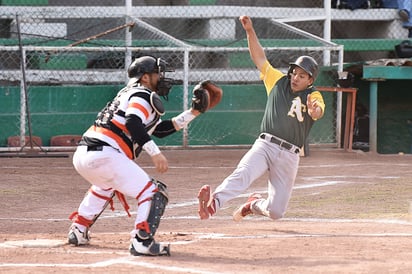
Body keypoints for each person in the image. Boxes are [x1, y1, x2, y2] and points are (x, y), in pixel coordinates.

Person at [68, 55, 206, 256]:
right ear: (145, 77)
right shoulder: (142, 94)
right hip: (106, 153)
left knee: (105, 186)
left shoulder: (129, 94)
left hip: (85, 154)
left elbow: (159, 129)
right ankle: (142, 241)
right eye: (157, 73)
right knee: (154, 192)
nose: (161, 77)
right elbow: (133, 123)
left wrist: (194, 112)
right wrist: (155, 153)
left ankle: (78, 230)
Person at [197, 16, 325, 222]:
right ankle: (213, 204)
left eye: (302, 76)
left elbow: (318, 112)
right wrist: (249, 31)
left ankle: (253, 204)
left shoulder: (314, 95)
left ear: (310, 80)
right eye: (294, 72)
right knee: (243, 174)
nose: (295, 77)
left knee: (276, 212)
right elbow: (259, 58)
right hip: (265, 145)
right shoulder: (277, 81)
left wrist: (314, 109)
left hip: (290, 156)